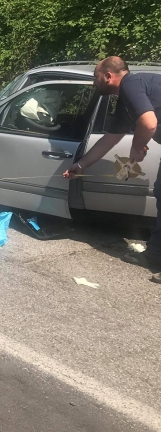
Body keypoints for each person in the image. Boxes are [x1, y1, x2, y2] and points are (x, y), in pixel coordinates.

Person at [63, 56, 161, 282]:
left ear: (109, 76)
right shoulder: (125, 102)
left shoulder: (131, 84)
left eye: (96, 78)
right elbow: (110, 140)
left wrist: (137, 147)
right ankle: (155, 256)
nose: (94, 82)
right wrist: (81, 165)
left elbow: (149, 123)